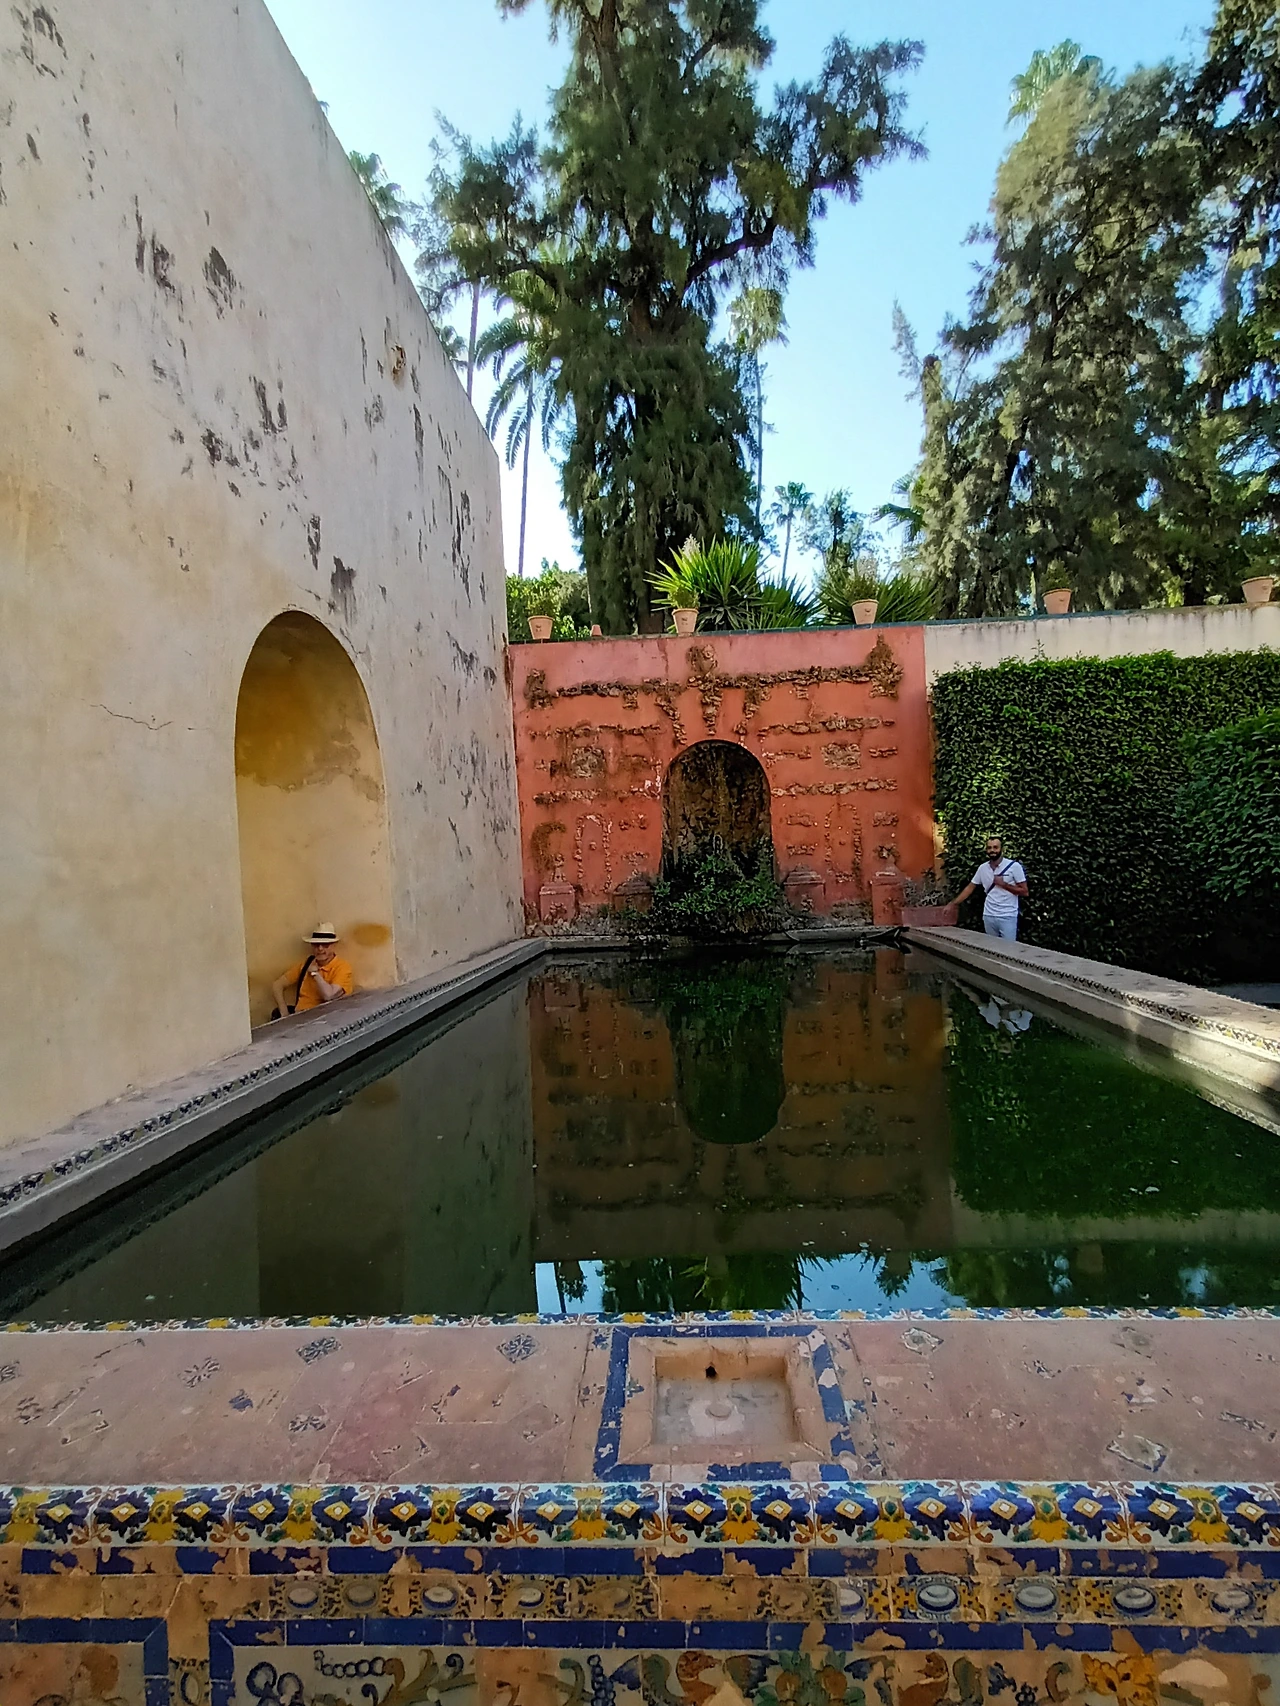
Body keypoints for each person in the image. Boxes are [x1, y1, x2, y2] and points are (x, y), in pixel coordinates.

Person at [271, 923, 354, 1019]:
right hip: (300, 1017)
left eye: (325, 945)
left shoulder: (342, 967)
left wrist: (315, 974)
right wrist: (284, 1011)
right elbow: (277, 985)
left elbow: (329, 995)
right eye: (316, 945)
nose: (320, 949)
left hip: (326, 1020)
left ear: (333, 946)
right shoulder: (306, 965)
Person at [953, 836, 1029, 941]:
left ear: (1002, 849)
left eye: (995, 847)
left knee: (1009, 948)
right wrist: (953, 904)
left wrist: (1004, 885)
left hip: (1007, 916)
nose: (992, 850)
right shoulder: (982, 868)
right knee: (991, 947)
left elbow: (1025, 892)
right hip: (988, 915)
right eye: (989, 848)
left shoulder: (1014, 866)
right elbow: (970, 888)